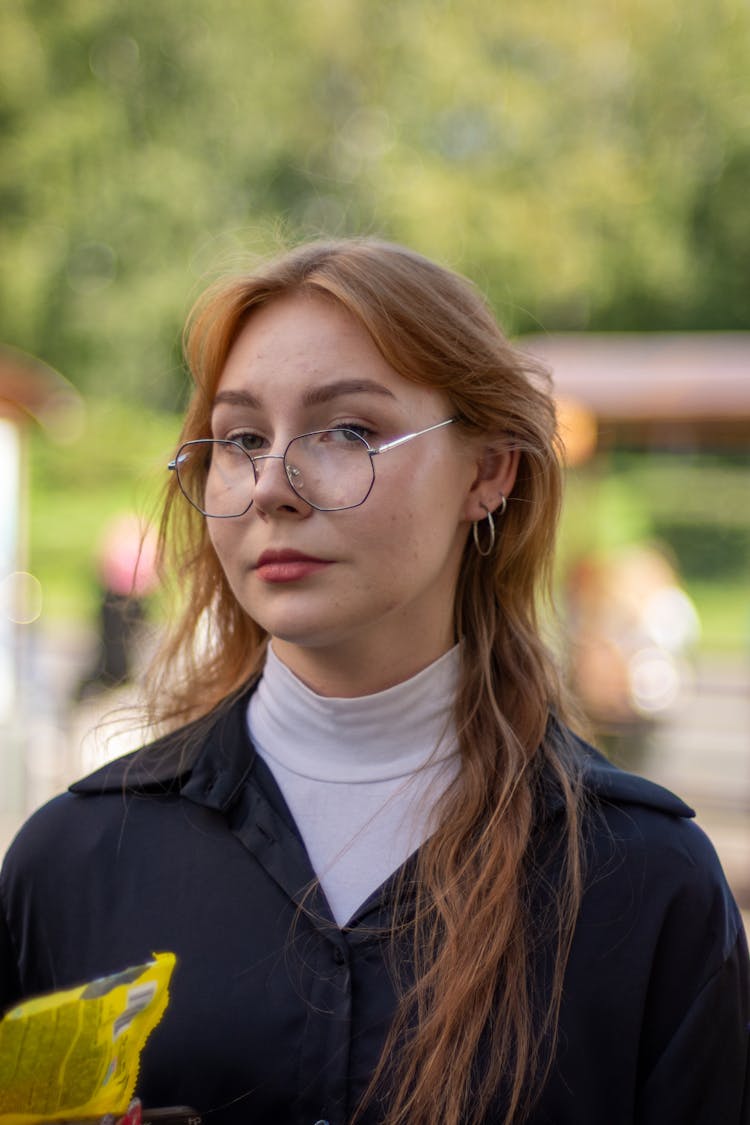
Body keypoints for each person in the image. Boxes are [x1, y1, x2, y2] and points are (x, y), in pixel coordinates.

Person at [1, 239, 748, 1125]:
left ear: (488, 470)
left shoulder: (646, 884)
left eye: (348, 429)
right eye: (242, 438)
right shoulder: (73, 863)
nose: (273, 484)